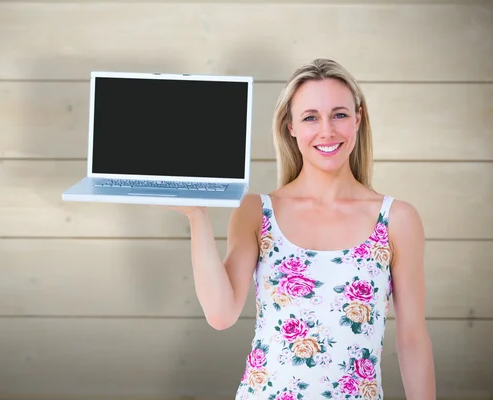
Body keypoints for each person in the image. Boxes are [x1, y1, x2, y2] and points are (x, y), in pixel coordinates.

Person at [168, 58, 436, 399]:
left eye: (339, 114)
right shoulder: (256, 211)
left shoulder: (397, 219)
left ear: (358, 118)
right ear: (291, 127)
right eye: (310, 117)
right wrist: (196, 215)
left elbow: (412, 339)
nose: (327, 130)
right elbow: (221, 315)